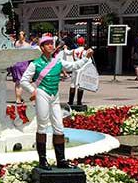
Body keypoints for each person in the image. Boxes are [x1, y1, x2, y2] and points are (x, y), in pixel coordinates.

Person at [19, 35, 93, 170]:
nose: (51, 46)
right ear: (42, 48)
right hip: (42, 93)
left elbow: (73, 66)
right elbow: (23, 80)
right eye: (47, 44)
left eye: (51, 44)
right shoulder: (35, 64)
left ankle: (61, 160)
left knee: (59, 127)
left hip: (55, 96)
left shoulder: (58, 62)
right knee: (42, 125)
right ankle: (42, 160)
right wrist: (33, 91)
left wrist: (86, 58)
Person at [68, 36, 89, 106]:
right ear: (84, 43)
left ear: (77, 43)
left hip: (75, 69)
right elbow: (88, 61)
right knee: (80, 85)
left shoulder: (74, 51)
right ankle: (79, 102)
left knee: (72, 85)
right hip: (81, 70)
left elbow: (67, 52)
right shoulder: (85, 52)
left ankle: (70, 101)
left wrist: (65, 48)